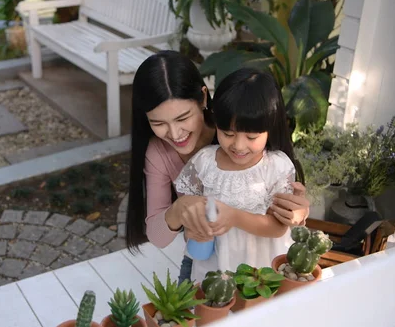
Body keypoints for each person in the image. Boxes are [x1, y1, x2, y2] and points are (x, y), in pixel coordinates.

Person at [124, 50, 310, 283]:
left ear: (203, 98)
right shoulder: (176, 155)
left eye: (182, 118)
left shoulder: (239, 119)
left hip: (262, 260)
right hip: (211, 262)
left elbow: (280, 216)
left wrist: (298, 214)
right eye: (158, 123)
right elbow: (158, 235)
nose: (174, 133)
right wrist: (181, 211)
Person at [173, 67, 304, 283]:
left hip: (260, 269)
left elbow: (278, 227)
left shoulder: (276, 167)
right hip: (213, 266)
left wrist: (234, 217)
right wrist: (193, 230)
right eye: (227, 134)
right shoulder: (205, 162)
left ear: (270, 128)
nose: (238, 145)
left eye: (252, 137)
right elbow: (187, 209)